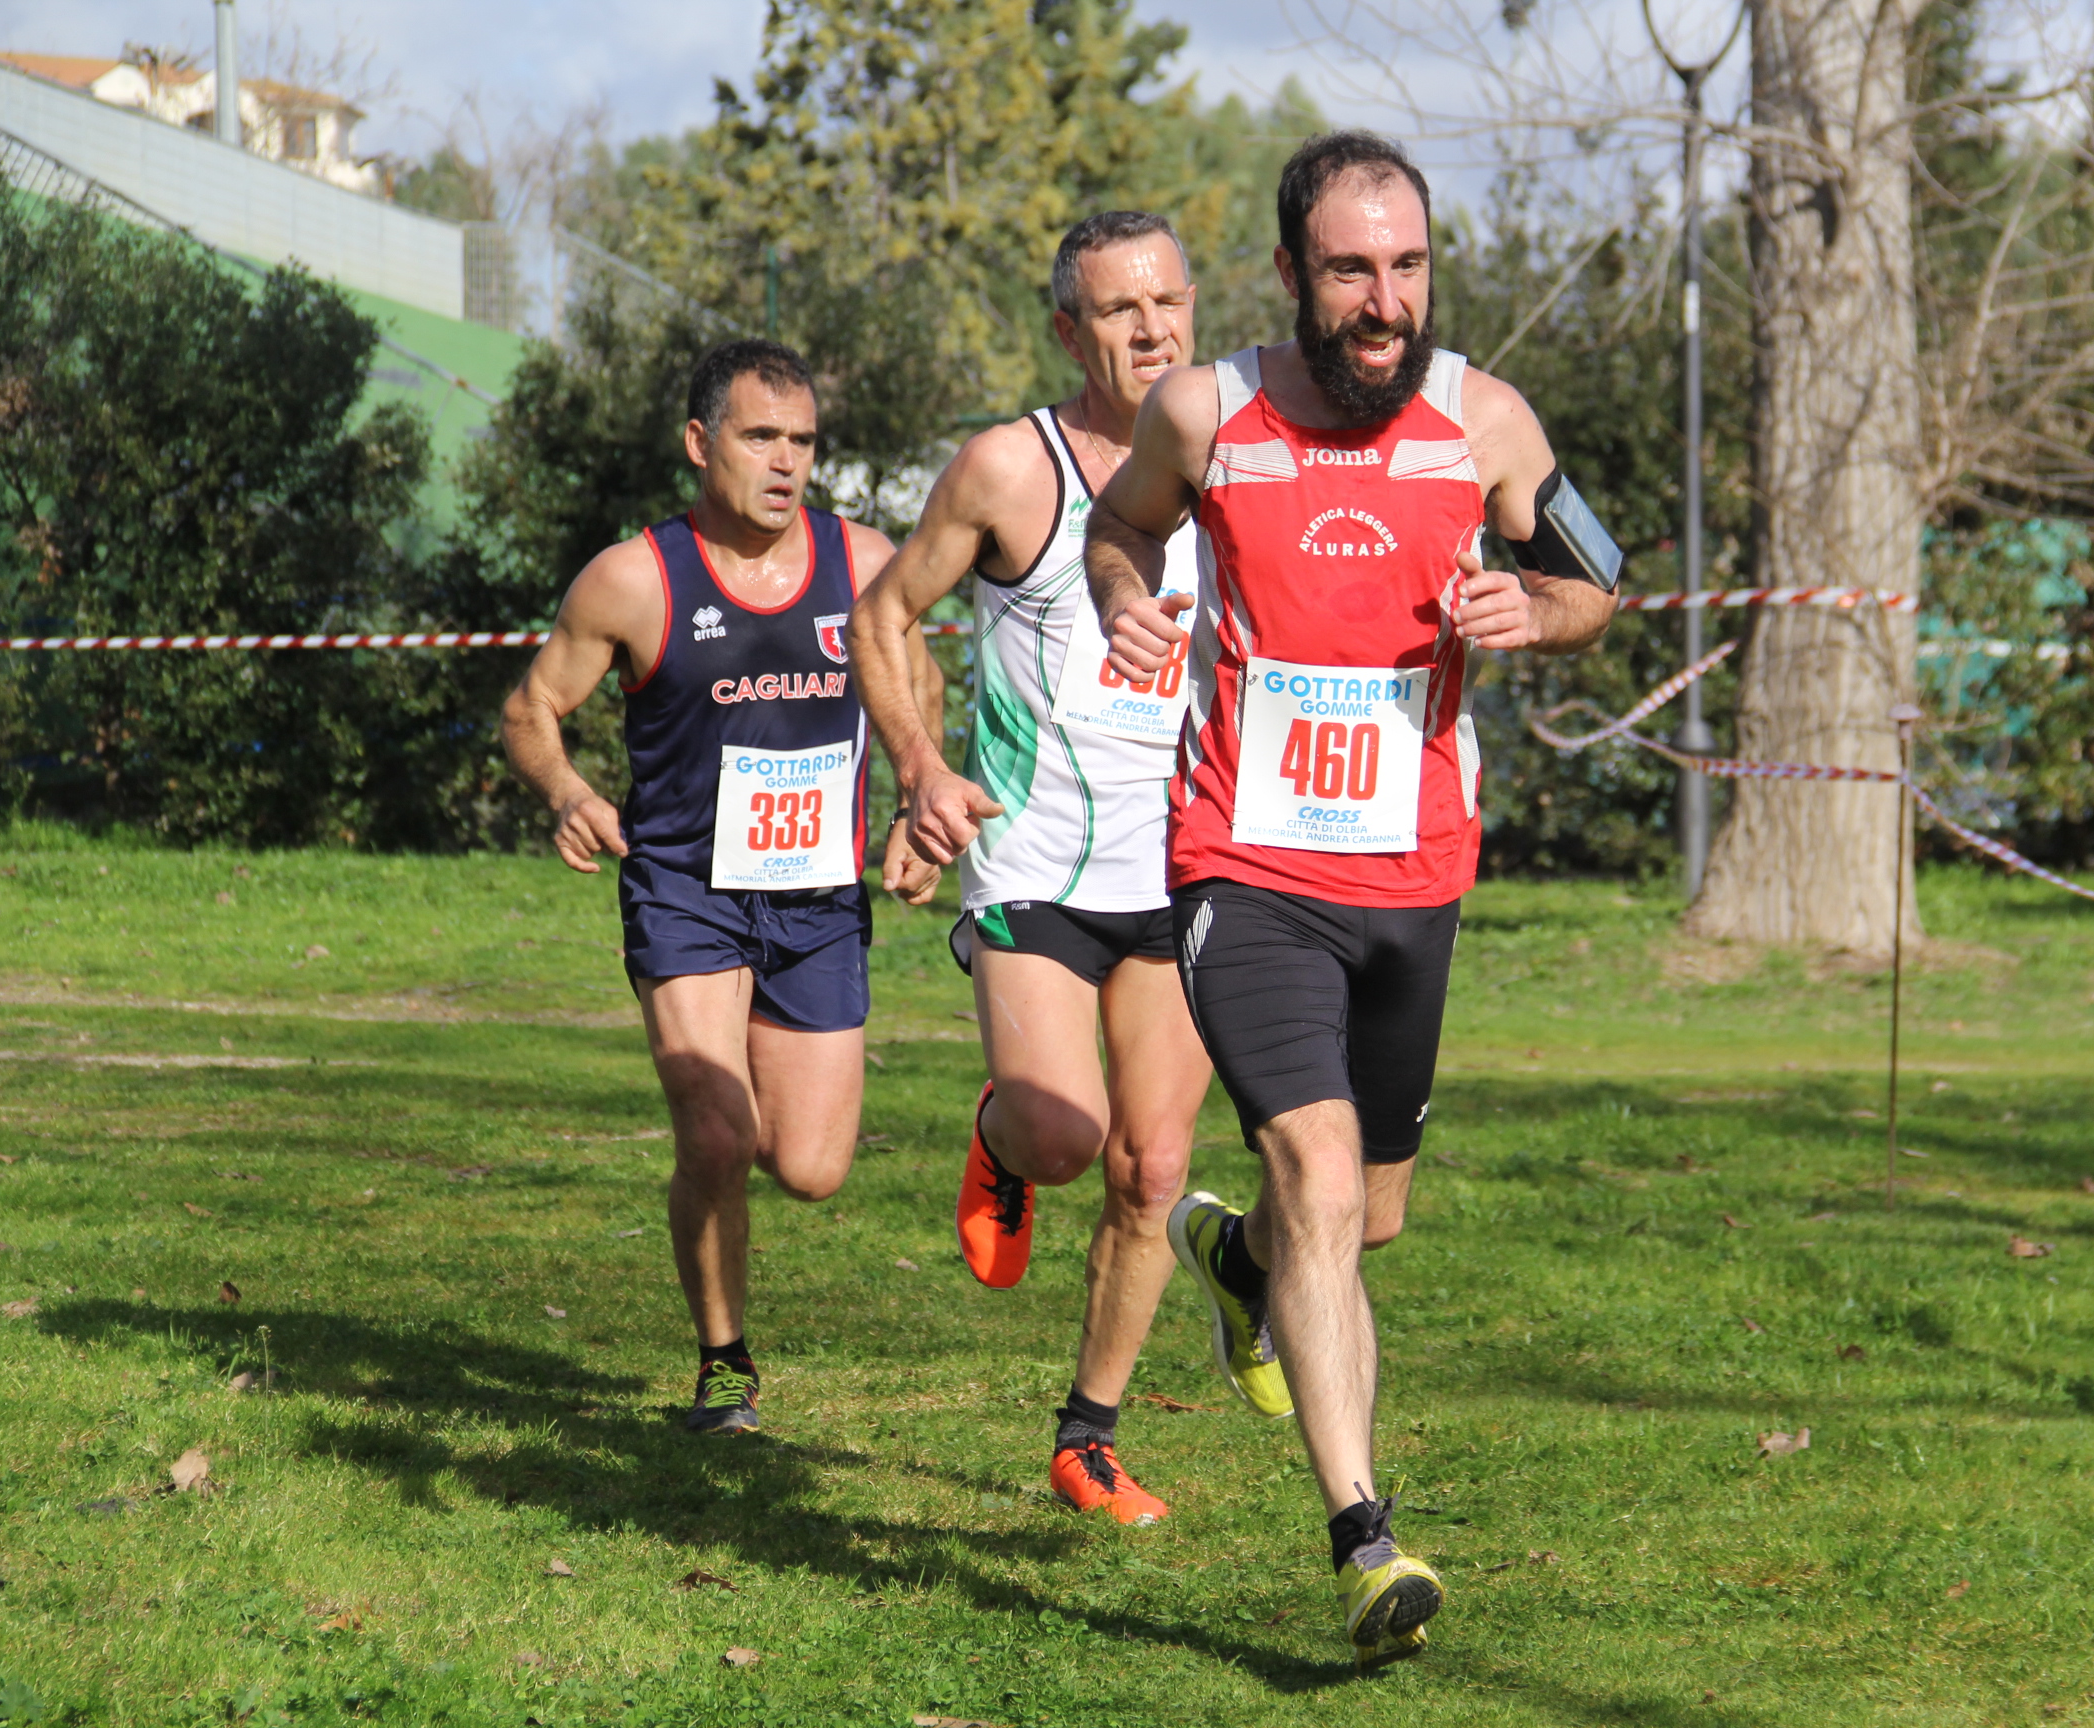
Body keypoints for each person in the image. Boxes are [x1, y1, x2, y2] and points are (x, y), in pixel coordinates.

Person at [1082, 133, 1621, 1658]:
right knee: (1317, 1175)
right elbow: (1119, 527)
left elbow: (1597, 582)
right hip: (1243, 862)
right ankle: (1364, 1541)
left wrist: (1536, 610)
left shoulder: (1485, 421)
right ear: (1289, 273)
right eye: (1350, 271)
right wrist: (1126, 601)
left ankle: (1237, 1261)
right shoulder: (1206, 412)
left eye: (1407, 268)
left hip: (1414, 873)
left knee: (1363, 1218)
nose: (1384, 302)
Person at [850, 211, 1269, 1528]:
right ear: (1067, 331)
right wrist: (920, 771)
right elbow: (882, 614)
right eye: (1117, 310)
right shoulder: (1009, 469)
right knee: (1065, 1138)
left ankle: (1087, 1439)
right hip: (1031, 857)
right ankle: (1003, 1134)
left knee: (1154, 1167)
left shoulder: (1242, 463)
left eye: (1167, 302)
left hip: (1183, 866)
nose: (1151, 330)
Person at [502, 338, 943, 1436]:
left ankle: (998, 1129)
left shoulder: (866, 564)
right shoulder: (635, 579)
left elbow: (920, 682)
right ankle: (724, 1363)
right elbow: (531, 708)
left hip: (817, 899)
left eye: (802, 441)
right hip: (684, 890)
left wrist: (916, 802)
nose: (786, 462)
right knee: (714, 1133)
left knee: (811, 1167)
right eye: (760, 438)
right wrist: (566, 791)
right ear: (701, 443)